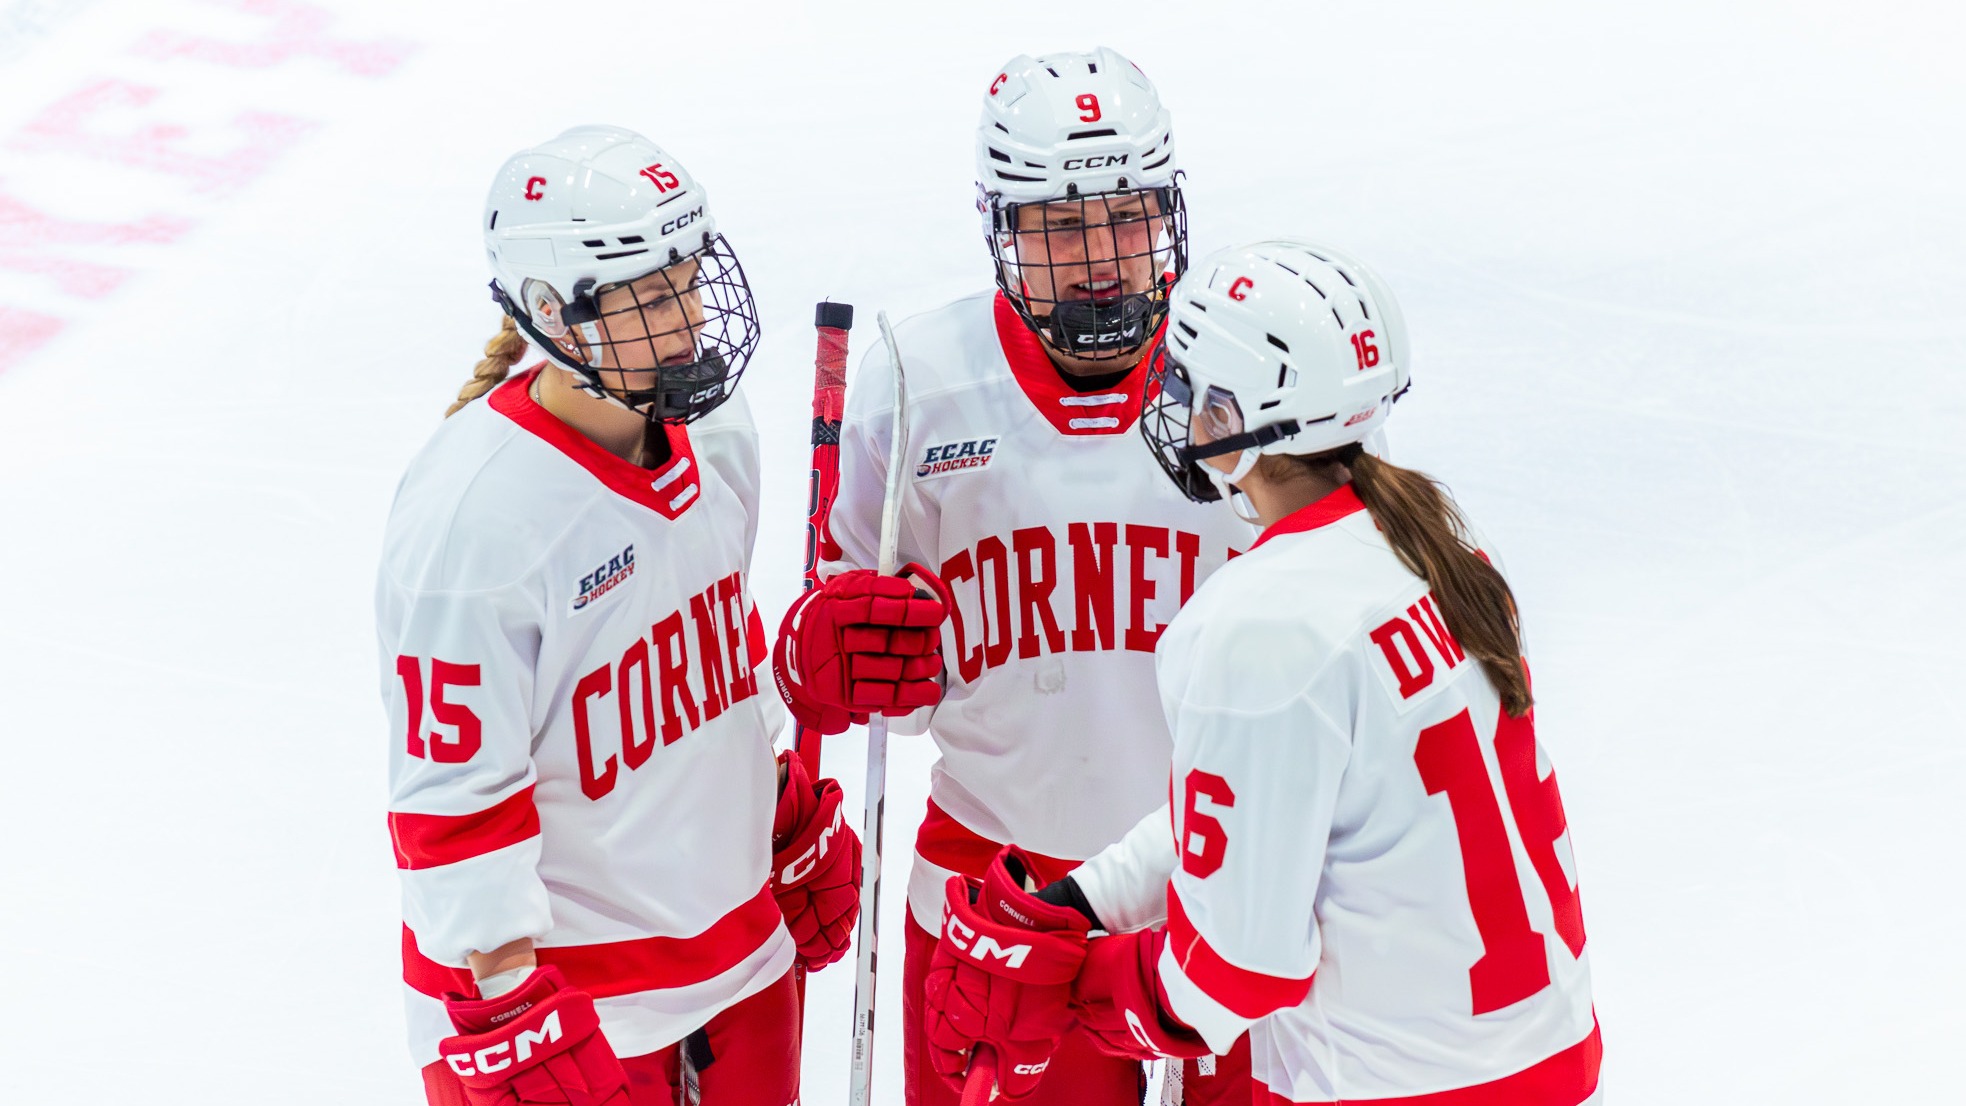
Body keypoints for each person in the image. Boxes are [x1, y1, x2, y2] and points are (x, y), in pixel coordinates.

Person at [923, 239, 1601, 1106]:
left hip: (1390, 1088)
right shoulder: (1446, 545)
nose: (1172, 404)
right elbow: (1264, 807)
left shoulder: (1257, 625)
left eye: (1189, 386)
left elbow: (1240, 970)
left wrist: (1069, 989)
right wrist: (1079, 901)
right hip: (1545, 1062)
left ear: (1238, 415)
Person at [377, 125, 932, 1106]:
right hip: (574, 1007)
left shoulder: (715, 427)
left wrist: (781, 810)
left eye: (690, 276)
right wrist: (507, 1001)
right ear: (554, 314)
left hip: (737, 956)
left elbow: (717, 656)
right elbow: (451, 808)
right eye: (650, 295)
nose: (687, 320)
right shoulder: (476, 519)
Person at [772, 48, 1259, 1106]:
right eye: (1061, 224)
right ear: (1001, 227)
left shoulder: (1246, 366)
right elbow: (854, 686)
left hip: (1224, 886)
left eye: (1127, 217)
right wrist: (825, 655)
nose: (1101, 256)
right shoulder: (918, 375)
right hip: (994, 902)